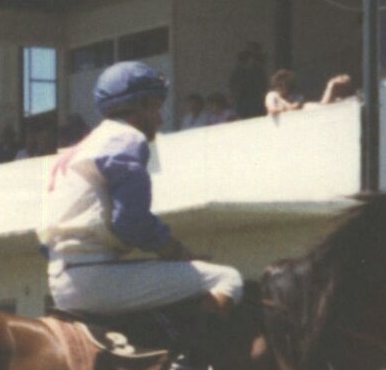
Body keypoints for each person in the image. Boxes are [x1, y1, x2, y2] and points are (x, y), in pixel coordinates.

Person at [39, 60, 244, 341]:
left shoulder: (78, 149)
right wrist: (177, 252)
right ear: (141, 106)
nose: (159, 119)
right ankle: (198, 366)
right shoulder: (127, 138)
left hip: (59, 279)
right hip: (95, 280)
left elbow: (43, 243)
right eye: (155, 108)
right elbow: (130, 223)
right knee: (227, 278)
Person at [229, 42, 267, 119]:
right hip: (244, 103)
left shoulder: (259, 69)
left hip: (257, 103)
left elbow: (263, 85)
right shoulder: (239, 70)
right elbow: (234, 87)